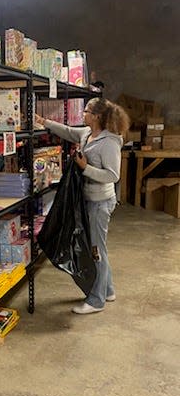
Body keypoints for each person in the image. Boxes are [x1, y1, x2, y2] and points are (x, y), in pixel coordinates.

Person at [35, 97, 130, 315]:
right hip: (88, 199)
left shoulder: (110, 141)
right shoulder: (88, 134)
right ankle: (107, 290)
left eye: (86, 111)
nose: (83, 114)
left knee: (96, 251)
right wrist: (44, 122)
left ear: (97, 116)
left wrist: (85, 168)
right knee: (98, 248)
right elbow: (68, 131)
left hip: (100, 203)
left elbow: (113, 175)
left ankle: (96, 300)